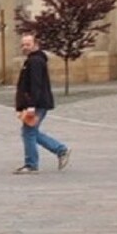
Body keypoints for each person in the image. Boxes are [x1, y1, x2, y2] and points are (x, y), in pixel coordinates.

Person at [14, 33, 70, 174]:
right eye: (23, 44)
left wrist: (31, 105)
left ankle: (32, 164)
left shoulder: (36, 61)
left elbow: (36, 85)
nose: (25, 47)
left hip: (37, 103)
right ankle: (60, 150)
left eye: (28, 44)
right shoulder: (32, 60)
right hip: (35, 103)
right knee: (30, 132)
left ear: (36, 44)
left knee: (28, 132)